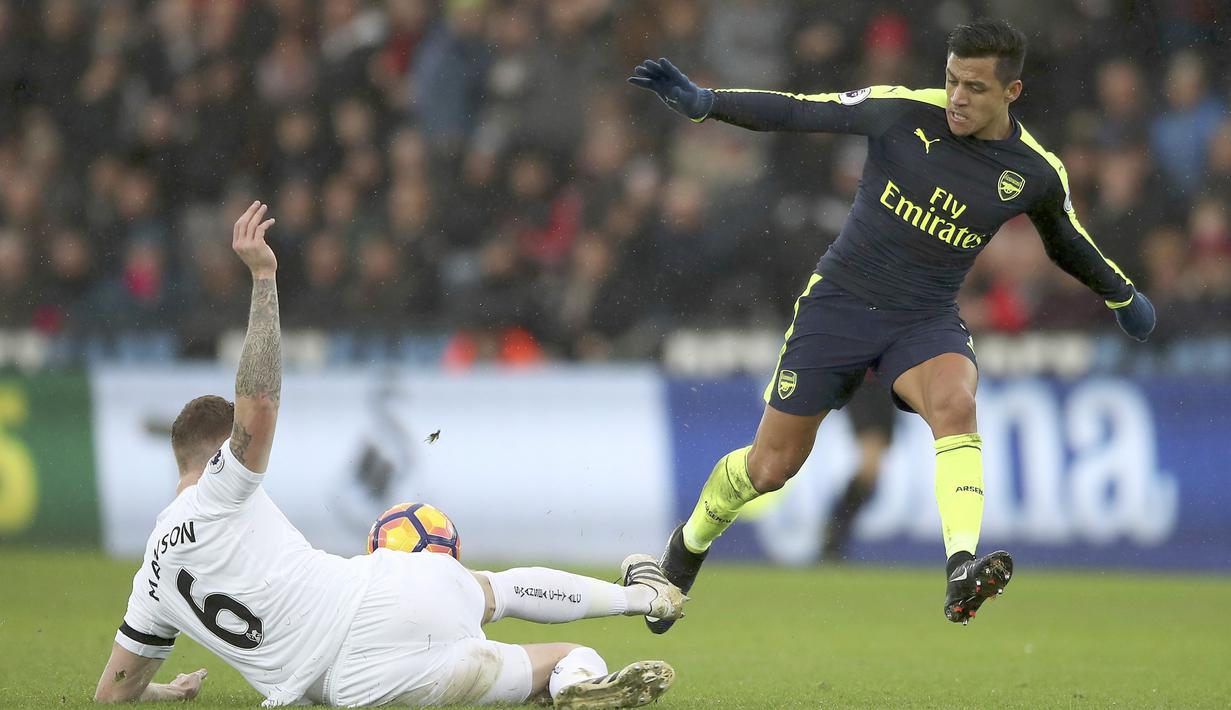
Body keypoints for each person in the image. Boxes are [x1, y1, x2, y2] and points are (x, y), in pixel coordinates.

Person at [627, 19, 1156, 630]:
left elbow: (1066, 241)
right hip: (839, 308)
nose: (958, 96)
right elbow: (799, 113)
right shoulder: (898, 111)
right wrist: (706, 104)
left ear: (1011, 92)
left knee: (957, 404)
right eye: (953, 80)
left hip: (923, 318)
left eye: (976, 87)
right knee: (770, 469)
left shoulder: (1034, 171)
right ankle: (684, 550)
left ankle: (961, 568)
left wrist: (1122, 294)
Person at [92, 202, 685, 708]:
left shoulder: (153, 577)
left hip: (348, 685)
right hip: (379, 603)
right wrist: (264, 281)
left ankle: (564, 678)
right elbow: (260, 403)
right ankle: (633, 606)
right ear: (218, 452)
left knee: (488, 661)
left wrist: (167, 692)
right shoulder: (219, 489)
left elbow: (114, 691)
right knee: (522, 616)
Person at [821, 378, 897, 562]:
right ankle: (834, 532)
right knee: (870, 463)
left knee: (873, 472)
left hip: (889, 383)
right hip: (862, 381)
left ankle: (835, 531)